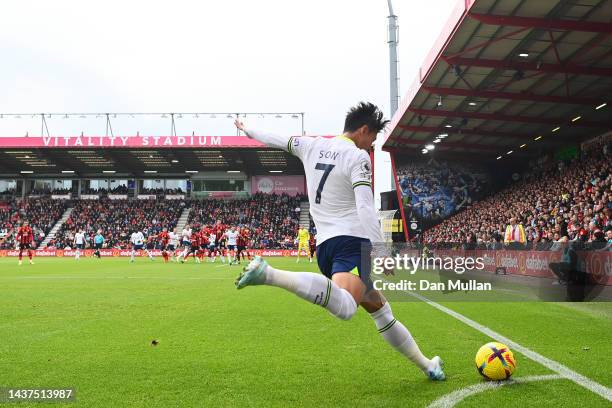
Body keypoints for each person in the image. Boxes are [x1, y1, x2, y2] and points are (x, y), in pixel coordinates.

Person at [233, 102, 445, 380]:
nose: (371, 145)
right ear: (363, 130)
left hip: (326, 246)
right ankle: (269, 274)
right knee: (345, 308)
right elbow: (365, 207)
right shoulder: (357, 158)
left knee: (380, 308)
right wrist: (381, 250)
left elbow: (275, 138)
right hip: (352, 242)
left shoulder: (310, 145)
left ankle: (428, 366)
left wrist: (247, 129)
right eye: (372, 139)